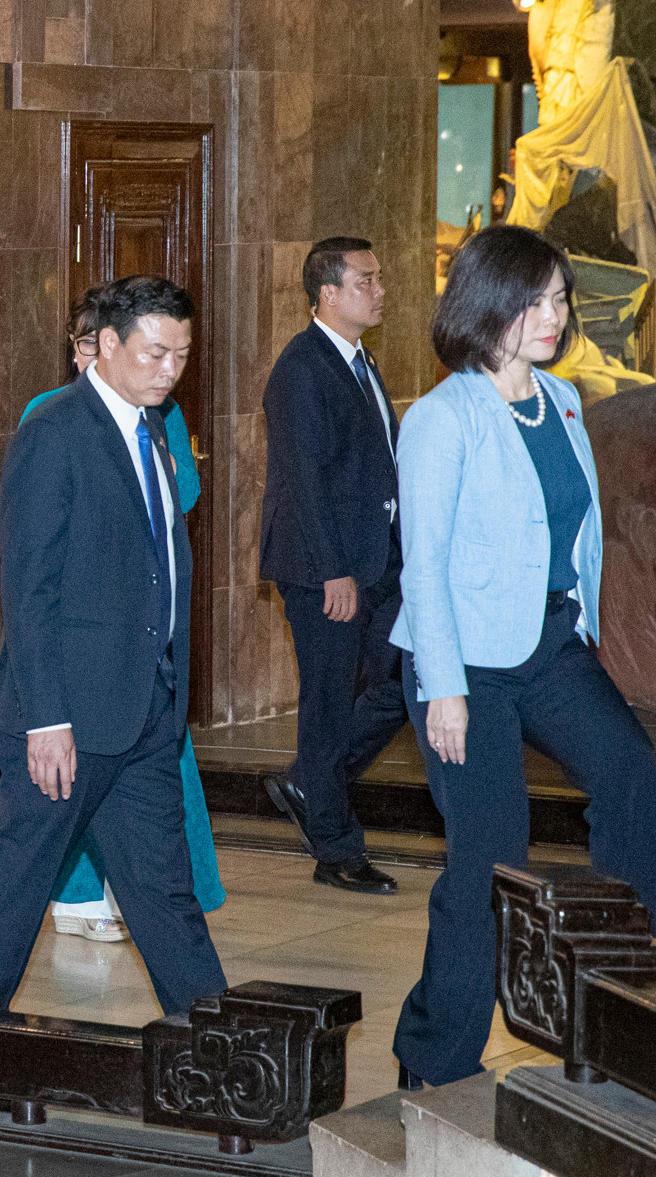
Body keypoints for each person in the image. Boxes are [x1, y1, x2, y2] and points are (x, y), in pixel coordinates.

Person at [389, 225, 656, 1088]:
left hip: (549, 643)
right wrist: (443, 688)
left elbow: (576, 524)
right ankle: (434, 1054)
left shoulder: (561, 400)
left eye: (559, 300)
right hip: (463, 663)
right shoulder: (443, 417)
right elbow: (424, 565)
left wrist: (581, 618)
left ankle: (642, 1002)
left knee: (629, 770)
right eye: (535, 301)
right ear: (488, 305)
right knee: (489, 853)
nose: (553, 317)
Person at [0, 276, 227, 1017]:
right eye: (155, 352)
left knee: (164, 891)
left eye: (182, 355)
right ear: (105, 346)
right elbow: (29, 587)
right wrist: (47, 718)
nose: (170, 369)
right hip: (67, 717)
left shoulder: (153, 433)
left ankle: (216, 1045)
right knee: (18, 880)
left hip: (141, 712)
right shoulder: (57, 431)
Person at [20, 296, 225, 942]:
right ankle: (73, 900)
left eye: (177, 356)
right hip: (85, 648)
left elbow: (182, 494)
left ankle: (171, 935)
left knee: (155, 817)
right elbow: (33, 573)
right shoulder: (50, 420)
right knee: (39, 830)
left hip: (146, 648)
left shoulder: (160, 416)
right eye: (80, 346)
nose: (167, 370)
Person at [259, 238, 407, 895]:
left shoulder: (359, 361)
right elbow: (304, 481)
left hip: (376, 560)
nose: (381, 290)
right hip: (328, 569)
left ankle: (310, 781)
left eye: (379, 278)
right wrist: (332, 573)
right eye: (367, 280)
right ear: (328, 292)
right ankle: (337, 848)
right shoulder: (302, 369)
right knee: (326, 703)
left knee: (403, 680)